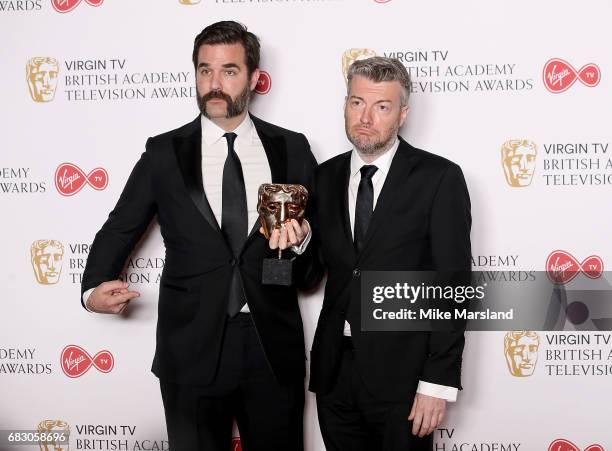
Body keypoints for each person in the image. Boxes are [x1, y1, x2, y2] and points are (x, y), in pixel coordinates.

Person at [81, 21, 319, 451]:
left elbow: (314, 265)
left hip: (270, 344)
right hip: (188, 345)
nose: (214, 83)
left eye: (228, 70)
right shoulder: (163, 152)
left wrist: (301, 242)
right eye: (204, 70)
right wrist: (93, 287)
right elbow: (121, 225)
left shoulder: (291, 147)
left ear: (252, 77)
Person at [308, 57, 471, 451]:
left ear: (402, 114)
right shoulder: (323, 177)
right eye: (357, 103)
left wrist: (437, 382)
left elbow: (453, 287)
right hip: (334, 373)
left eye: (382, 107)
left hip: (406, 376)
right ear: (345, 104)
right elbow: (307, 276)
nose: (366, 117)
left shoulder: (439, 178)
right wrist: (295, 246)